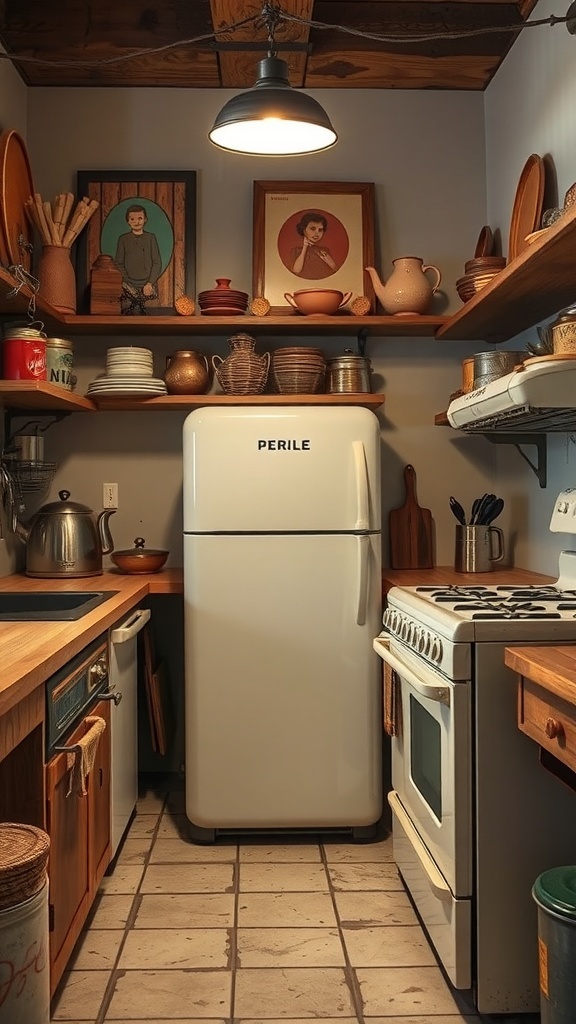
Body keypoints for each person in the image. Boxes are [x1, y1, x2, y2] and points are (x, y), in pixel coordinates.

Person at [114, 204, 162, 309]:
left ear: (145, 219)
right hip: (128, 283)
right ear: (128, 221)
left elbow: (157, 262)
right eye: (132, 219)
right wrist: (127, 281)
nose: (137, 222)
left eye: (140, 218)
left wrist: (150, 283)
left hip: (148, 283)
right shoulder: (123, 239)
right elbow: (118, 263)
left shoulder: (150, 238)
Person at [290, 212, 338, 279]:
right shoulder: (296, 251)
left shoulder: (324, 251)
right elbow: (296, 271)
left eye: (320, 230)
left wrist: (331, 263)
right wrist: (305, 247)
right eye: (313, 229)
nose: (316, 233)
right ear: (304, 230)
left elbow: (335, 271)